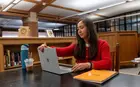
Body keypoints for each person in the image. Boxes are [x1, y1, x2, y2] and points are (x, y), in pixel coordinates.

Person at [38, 18, 112, 72]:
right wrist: (47, 48)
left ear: (90, 29)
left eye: (82, 27)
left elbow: (107, 63)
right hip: (80, 76)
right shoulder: (76, 45)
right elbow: (62, 51)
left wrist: (88, 65)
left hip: (97, 78)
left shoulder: (102, 44)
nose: (79, 31)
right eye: (77, 29)